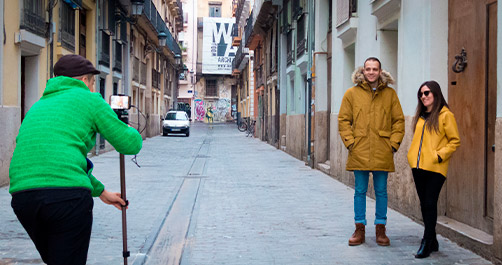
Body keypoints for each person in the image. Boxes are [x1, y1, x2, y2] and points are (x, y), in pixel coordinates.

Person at [9, 54, 143, 265]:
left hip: (24, 199)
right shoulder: (90, 99)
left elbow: (59, 163)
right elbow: (130, 144)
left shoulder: (38, 106)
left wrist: (101, 192)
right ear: (83, 80)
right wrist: (124, 125)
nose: (92, 87)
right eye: (92, 82)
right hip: (67, 200)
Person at [338, 57, 405, 246]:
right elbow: (343, 120)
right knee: (359, 191)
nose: (371, 72)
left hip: (382, 150)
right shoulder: (351, 94)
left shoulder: (390, 95)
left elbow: (398, 121)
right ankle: (359, 229)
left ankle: (380, 229)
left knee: (381, 192)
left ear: (380, 71)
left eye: (375, 69)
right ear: (363, 71)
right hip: (359, 150)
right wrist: (351, 143)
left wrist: (393, 145)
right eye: (368, 69)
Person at [407, 80, 460, 258]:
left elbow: (454, 141)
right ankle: (433, 238)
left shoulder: (446, 115)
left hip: (436, 168)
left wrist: (439, 155)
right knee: (424, 204)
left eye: (427, 93)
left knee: (430, 203)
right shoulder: (421, 116)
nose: (423, 96)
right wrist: (411, 157)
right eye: (421, 94)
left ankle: (426, 241)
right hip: (418, 166)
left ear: (436, 94)